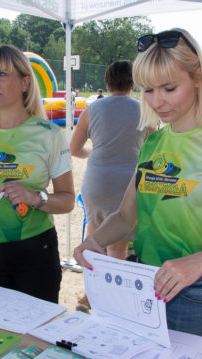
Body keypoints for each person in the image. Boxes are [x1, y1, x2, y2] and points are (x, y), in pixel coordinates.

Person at [73, 28, 202, 341]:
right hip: (143, 282)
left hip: (196, 295)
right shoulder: (153, 142)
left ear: (197, 78)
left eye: (169, 88)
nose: (157, 101)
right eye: (148, 90)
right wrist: (94, 240)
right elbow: (126, 216)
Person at [0, 45, 75, 303]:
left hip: (36, 252)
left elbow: (68, 200)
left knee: (37, 327)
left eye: (1, 74)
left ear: (25, 82)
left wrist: (34, 198)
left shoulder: (49, 135)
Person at [70, 60, 149, 311]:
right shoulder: (144, 110)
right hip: (128, 182)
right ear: (133, 83)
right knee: (118, 246)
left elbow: (74, 148)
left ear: (107, 83)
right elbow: (153, 147)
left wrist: (93, 153)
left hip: (97, 179)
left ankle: (90, 294)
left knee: (92, 238)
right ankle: (113, 299)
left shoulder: (92, 109)